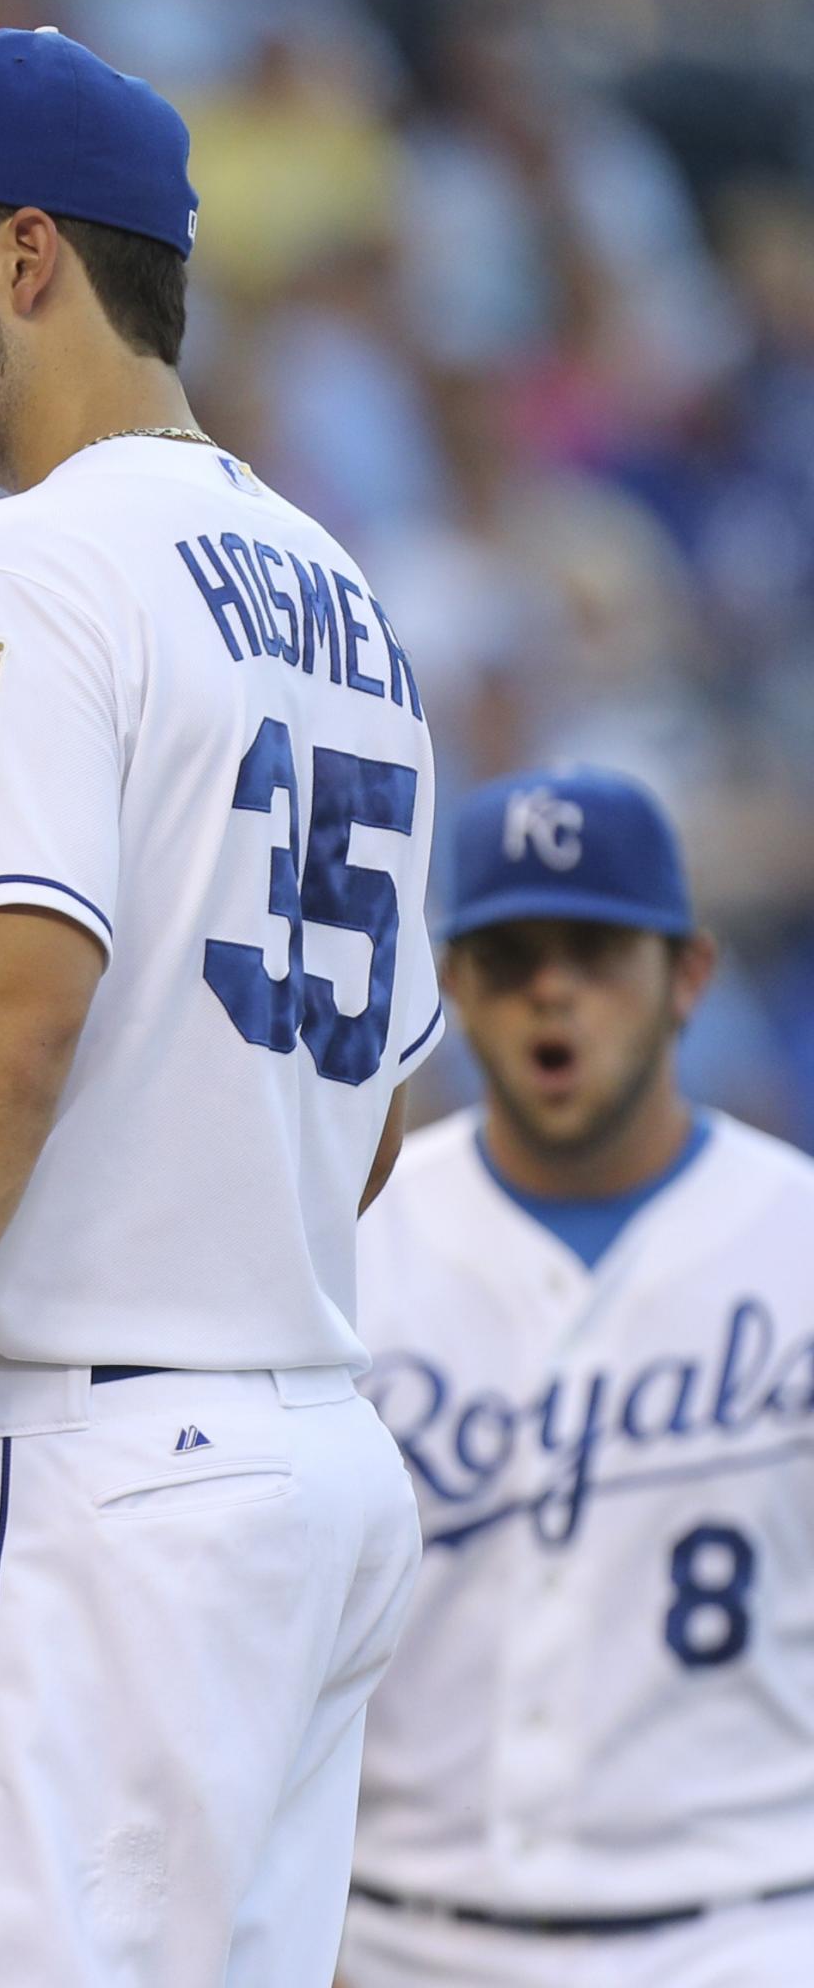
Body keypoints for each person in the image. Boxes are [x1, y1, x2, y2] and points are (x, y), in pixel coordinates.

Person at [0, 29, 438, 1984]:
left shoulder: (17, 562)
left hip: (73, 1486)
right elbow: (368, 1116)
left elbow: (11, 1014)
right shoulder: (342, 597)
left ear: (25, 255)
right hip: (294, 1475)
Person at [346, 767, 814, 1985]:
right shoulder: (348, 1248)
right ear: (452, 983)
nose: (552, 989)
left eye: (597, 950)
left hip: (744, 1932)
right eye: (509, 955)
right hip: (393, 1934)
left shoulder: (798, 1242)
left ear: (688, 977)